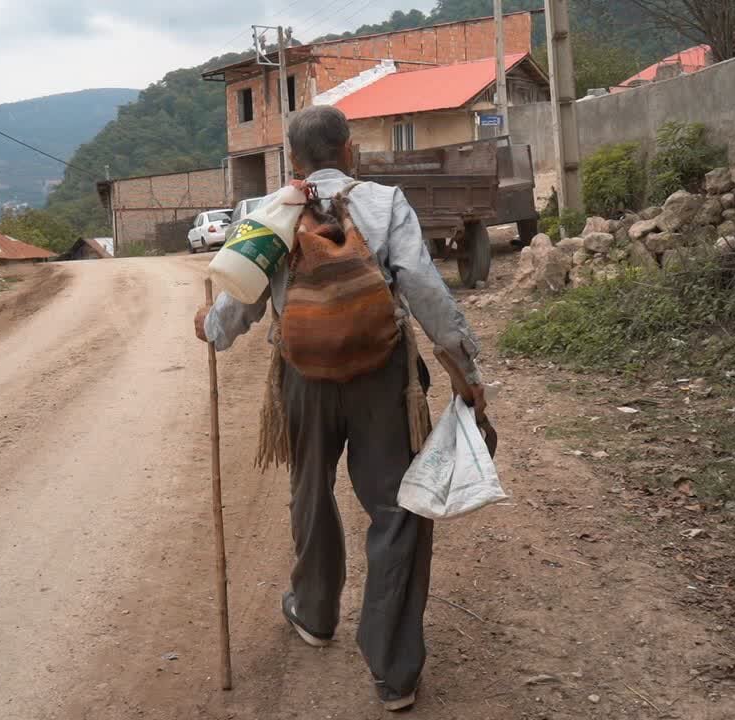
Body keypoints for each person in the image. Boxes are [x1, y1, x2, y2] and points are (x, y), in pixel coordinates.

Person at [193, 105, 484, 712]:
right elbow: (423, 287)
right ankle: (394, 672)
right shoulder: (384, 202)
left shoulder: (270, 211)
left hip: (303, 378)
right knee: (396, 510)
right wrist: (464, 368)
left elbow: (240, 299)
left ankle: (314, 613)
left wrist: (211, 328)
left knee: (310, 492)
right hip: (383, 378)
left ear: (293, 160)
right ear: (349, 150)